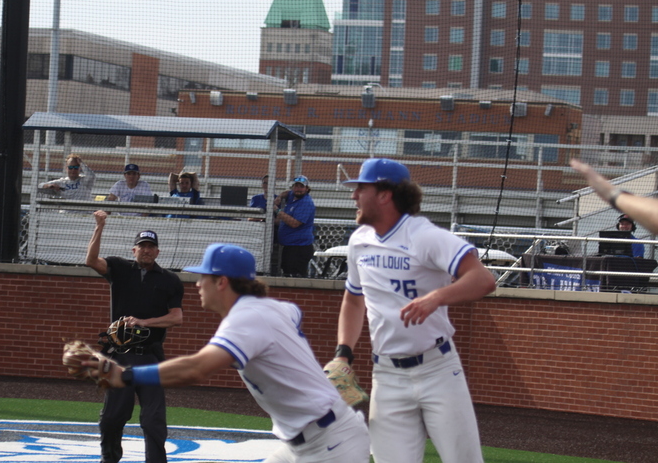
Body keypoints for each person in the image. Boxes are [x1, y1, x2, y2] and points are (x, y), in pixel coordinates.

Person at [82, 243, 371, 463]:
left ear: (221, 281)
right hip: (305, 440)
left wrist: (126, 374)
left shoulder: (245, 319)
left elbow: (196, 369)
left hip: (331, 445)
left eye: (203, 276)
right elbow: (293, 314)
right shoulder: (274, 307)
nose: (197, 284)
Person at [332, 158, 496, 463]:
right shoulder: (359, 241)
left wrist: (436, 297)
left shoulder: (425, 236)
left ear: (385, 194)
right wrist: (344, 352)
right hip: (387, 375)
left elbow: (484, 280)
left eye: (361, 188)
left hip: (438, 370)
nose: (354, 195)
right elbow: (354, 300)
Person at [85, 211, 184, 463]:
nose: (146, 251)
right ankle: (109, 458)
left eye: (151, 247)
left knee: (153, 419)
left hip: (150, 357)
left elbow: (176, 317)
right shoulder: (119, 269)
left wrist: (144, 322)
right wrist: (99, 226)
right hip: (119, 357)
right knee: (112, 418)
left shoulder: (170, 280)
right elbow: (91, 260)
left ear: (157, 252)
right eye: (142, 246)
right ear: (134, 250)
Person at [570, 158, 658, 235]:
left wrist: (612, 194)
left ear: (632, 226)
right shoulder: (612, 240)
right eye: (622, 223)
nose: (624, 226)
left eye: (627, 224)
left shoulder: (636, 243)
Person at [274, 175, 315, 277]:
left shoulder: (305, 203)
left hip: (299, 248)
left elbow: (295, 223)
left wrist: (277, 210)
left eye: (301, 187)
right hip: (290, 247)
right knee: (286, 271)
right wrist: (279, 196)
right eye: (296, 186)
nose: (298, 189)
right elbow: (287, 193)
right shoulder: (293, 196)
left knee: (295, 277)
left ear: (306, 189)